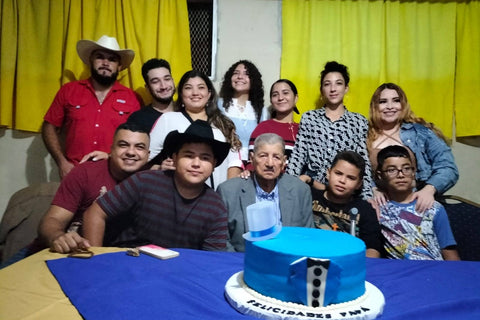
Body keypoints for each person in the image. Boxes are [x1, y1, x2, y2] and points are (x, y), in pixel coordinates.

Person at [83, 120, 230, 251]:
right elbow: (95, 213)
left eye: (205, 158)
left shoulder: (216, 208)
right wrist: (96, 257)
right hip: (128, 260)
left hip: (179, 273)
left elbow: (211, 260)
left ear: (214, 164)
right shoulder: (144, 181)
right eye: (189, 156)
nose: (196, 164)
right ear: (174, 157)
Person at [37, 123, 150, 254]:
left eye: (139, 147)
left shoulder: (150, 180)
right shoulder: (85, 173)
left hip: (114, 255)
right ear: (111, 150)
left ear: (148, 155)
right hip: (67, 251)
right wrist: (57, 236)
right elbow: (52, 220)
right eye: (123, 145)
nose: (131, 152)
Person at [42, 35, 142, 179]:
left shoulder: (132, 98)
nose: (105, 63)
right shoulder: (69, 90)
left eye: (112, 59)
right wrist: (62, 162)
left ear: (119, 66)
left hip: (115, 175)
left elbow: (138, 139)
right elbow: (49, 126)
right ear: (91, 60)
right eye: (100, 57)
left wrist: (111, 157)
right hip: (74, 174)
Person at [286, 61, 373, 199]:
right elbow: (298, 155)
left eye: (338, 83)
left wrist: (367, 196)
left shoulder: (358, 122)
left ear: (346, 88)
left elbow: (363, 162)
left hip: (345, 193)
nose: (333, 89)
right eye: (327, 84)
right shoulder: (310, 118)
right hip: (312, 189)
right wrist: (288, 187)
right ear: (322, 90)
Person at [367, 83, 459, 213]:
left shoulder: (421, 133)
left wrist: (429, 189)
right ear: (375, 106)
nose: (390, 106)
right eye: (383, 102)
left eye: (396, 101)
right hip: (379, 208)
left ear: (403, 105)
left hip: (417, 205)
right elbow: (355, 171)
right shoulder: (363, 135)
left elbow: (448, 167)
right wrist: (371, 189)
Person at [217, 133, 314, 252]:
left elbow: (307, 237)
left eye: (276, 157)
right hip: (243, 263)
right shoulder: (229, 191)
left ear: (284, 162)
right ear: (252, 159)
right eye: (263, 156)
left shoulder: (300, 190)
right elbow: (222, 240)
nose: (269, 163)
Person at [149, 70, 242, 188]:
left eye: (201, 87)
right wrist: (159, 168)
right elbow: (146, 158)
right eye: (188, 88)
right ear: (181, 94)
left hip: (216, 197)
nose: (195, 93)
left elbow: (234, 164)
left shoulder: (224, 124)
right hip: (177, 194)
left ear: (209, 94)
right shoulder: (168, 119)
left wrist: (227, 194)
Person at [375, 145, 460, 261]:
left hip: (434, 269)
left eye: (406, 168)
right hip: (400, 273)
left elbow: (448, 250)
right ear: (380, 175)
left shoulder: (433, 208)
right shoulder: (378, 208)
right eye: (391, 170)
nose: (400, 175)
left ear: (414, 172)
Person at [311, 151, 383, 258]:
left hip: (347, 264)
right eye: (338, 173)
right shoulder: (310, 196)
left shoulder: (365, 209)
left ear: (359, 184)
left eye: (351, 178)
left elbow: (373, 248)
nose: (342, 181)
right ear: (328, 173)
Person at [218, 60, 268, 165]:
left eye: (246, 74)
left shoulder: (262, 112)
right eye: (236, 73)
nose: (240, 77)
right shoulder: (219, 105)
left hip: (251, 166)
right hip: (223, 162)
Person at [249, 79, 300, 161]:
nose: (280, 98)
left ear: (295, 98)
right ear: (271, 101)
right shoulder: (263, 128)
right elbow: (252, 162)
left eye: (285, 93)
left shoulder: (303, 130)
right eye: (275, 95)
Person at [127, 58, 175, 132]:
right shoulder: (138, 119)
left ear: (173, 80)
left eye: (167, 79)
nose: (163, 86)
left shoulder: (188, 111)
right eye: (155, 82)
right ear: (147, 88)